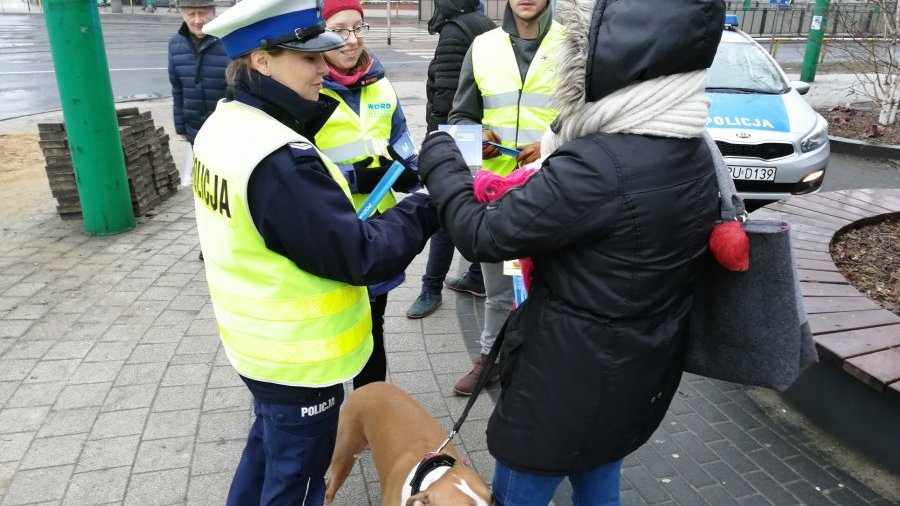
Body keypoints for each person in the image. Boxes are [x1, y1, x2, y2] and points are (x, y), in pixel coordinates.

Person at [418, 0, 726, 502]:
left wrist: (440, 156)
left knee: (522, 485)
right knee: (600, 473)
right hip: (640, 368)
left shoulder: (598, 165)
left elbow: (482, 235)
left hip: (564, 380)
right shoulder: (692, 147)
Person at [196, 0, 439, 503]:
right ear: (261, 61)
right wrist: (428, 207)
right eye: (307, 59)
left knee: (266, 451)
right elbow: (362, 256)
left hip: (257, 349)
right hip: (300, 362)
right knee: (297, 480)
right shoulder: (281, 160)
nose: (323, 68)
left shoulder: (224, 124)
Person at [446, 0, 564, 395]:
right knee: (500, 288)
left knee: (556, 286)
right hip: (498, 195)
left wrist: (551, 145)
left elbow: (590, 118)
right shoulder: (482, 46)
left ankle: (543, 365)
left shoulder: (573, 46)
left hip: (555, 190)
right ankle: (489, 358)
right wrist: (475, 139)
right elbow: (460, 117)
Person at [314, 0, 421, 389]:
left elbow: (402, 142)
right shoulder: (306, 89)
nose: (351, 40)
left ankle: (370, 415)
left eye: (358, 28)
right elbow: (288, 168)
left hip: (375, 232)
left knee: (372, 330)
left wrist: (411, 171)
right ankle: (330, 425)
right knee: (328, 333)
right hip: (326, 232)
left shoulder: (381, 84)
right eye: (339, 30)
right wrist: (352, 177)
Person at [405, 0, 496, 319]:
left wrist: (438, 146)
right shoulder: (483, 23)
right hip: (482, 131)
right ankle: (475, 276)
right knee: (479, 203)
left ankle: (430, 288)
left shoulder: (456, 32)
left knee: (445, 212)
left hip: (459, 133)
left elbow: (446, 94)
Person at [168, 0, 228, 145]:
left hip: (227, 129)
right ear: (183, 15)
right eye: (191, 14)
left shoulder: (229, 41)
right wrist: (181, 126)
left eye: (202, 13)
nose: (197, 20)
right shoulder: (175, 44)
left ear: (213, 13)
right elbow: (178, 89)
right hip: (195, 130)